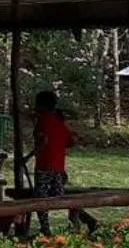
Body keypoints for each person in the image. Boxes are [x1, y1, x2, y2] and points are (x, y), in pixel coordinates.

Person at [27, 90, 97, 235]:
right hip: (58, 167)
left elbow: (43, 141)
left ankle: (45, 229)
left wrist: (28, 157)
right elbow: (71, 141)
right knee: (61, 197)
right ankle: (86, 218)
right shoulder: (59, 121)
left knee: (41, 199)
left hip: (44, 166)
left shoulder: (43, 120)